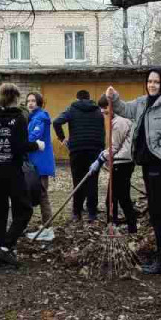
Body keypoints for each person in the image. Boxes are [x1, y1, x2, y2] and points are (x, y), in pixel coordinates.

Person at [106, 68, 161, 275]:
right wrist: (114, 97)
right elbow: (124, 109)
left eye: (156, 82)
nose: (152, 85)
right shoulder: (142, 102)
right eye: (150, 81)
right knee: (155, 211)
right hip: (148, 165)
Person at [0, 83, 42, 268]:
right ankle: (6, 247)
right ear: (15, 98)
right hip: (12, 171)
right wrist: (37, 145)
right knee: (24, 209)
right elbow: (19, 146)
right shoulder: (18, 119)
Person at [53, 89, 105, 222]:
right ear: (89, 98)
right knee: (92, 181)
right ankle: (92, 213)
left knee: (77, 181)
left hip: (77, 149)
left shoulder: (72, 109)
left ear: (77, 99)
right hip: (94, 150)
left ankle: (77, 213)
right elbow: (102, 131)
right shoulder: (98, 110)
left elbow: (57, 122)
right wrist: (101, 149)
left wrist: (62, 138)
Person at [97, 95, 136, 232]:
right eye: (102, 110)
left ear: (112, 106)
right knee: (113, 198)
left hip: (122, 163)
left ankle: (129, 227)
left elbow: (114, 146)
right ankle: (114, 224)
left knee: (120, 198)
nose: (103, 113)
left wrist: (101, 157)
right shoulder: (118, 120)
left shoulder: (120, 122)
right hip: (121, 162)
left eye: (105, 109)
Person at [24, 92, 57, 240]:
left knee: (42, 195)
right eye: (28, 101)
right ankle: (46, 225)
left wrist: (21, 141)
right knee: (39, 194)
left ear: (39, 102)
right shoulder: (34, 117)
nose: (30, 103)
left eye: (33, 101)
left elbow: (33, 137)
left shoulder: (40, 118)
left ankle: (48, 229)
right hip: (36, 161)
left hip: (40, 162)